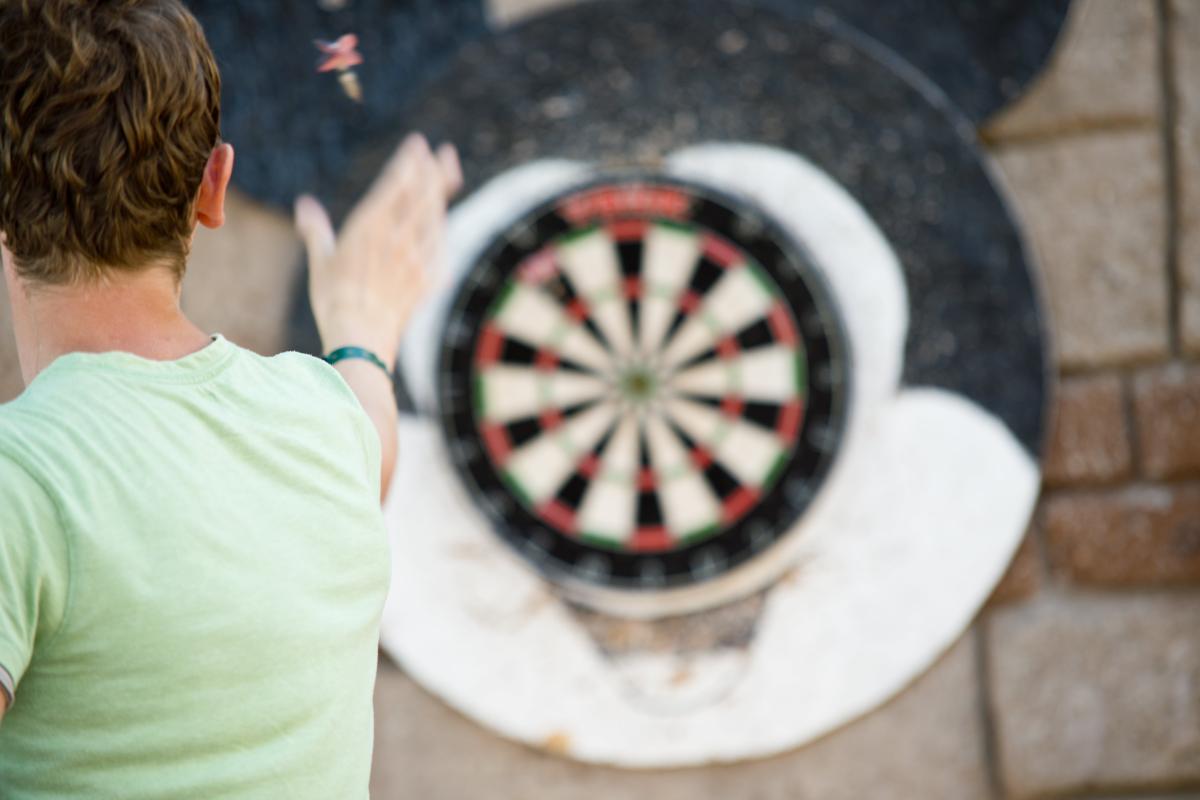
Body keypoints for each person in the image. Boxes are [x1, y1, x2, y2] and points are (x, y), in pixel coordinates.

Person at [0, 0, 460, 796]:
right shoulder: (327, 432)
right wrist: (362, 324)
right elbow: (371, 426)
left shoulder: (19, 479)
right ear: (214, 185)